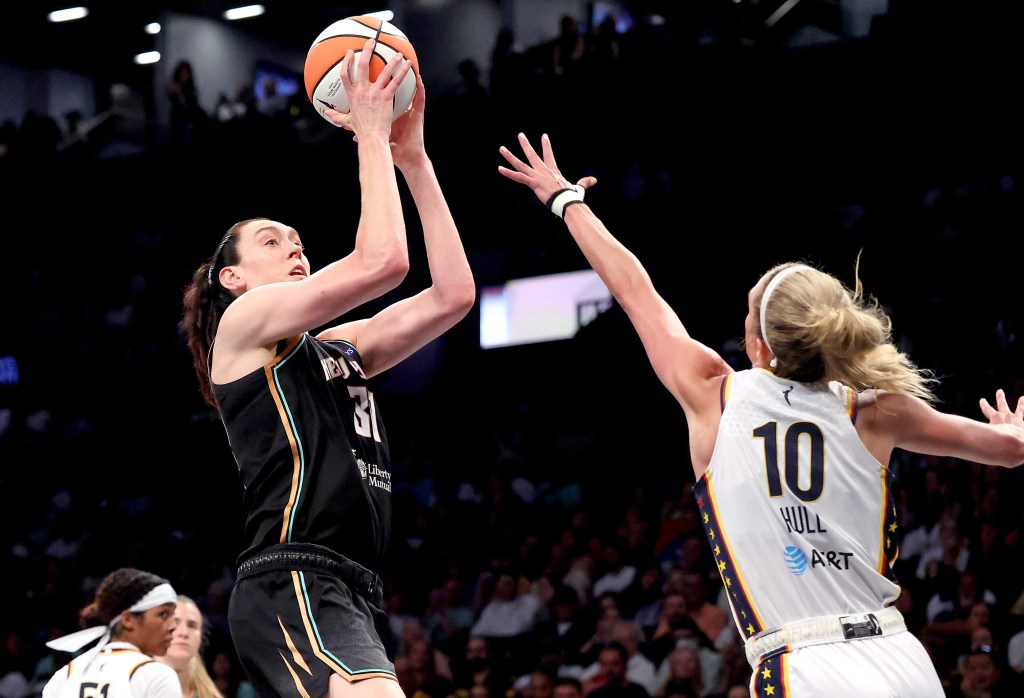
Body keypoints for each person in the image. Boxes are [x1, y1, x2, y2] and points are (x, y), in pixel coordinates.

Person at [497, 132, 1024, 696]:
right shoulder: (877, 411)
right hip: (902, 659)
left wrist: (565, 201)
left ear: (758, 347)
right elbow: (1012, 451)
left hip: (806, 664)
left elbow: (633, 290)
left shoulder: (713, 394)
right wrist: (1010, 431)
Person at [180, 39, 475, 698]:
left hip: (348, 585)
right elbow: (383, 263)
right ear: (232, 278)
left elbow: (453, 296)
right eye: (271, 242)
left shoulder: (336, 347)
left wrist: (414, 160)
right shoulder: (244, 327)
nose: (294, 250)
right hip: (294, 576)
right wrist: (370, 134)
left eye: (299, 243)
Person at [41, 567, 179, 698]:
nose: (173, 626)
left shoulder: (65, 674)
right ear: (128, 620)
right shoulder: (157, 676)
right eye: (164, 614)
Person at [155, 595, 226, 698]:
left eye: (192, 625)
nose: (184, 632)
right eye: (175, 622)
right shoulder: (131, 686)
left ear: (199, 641)